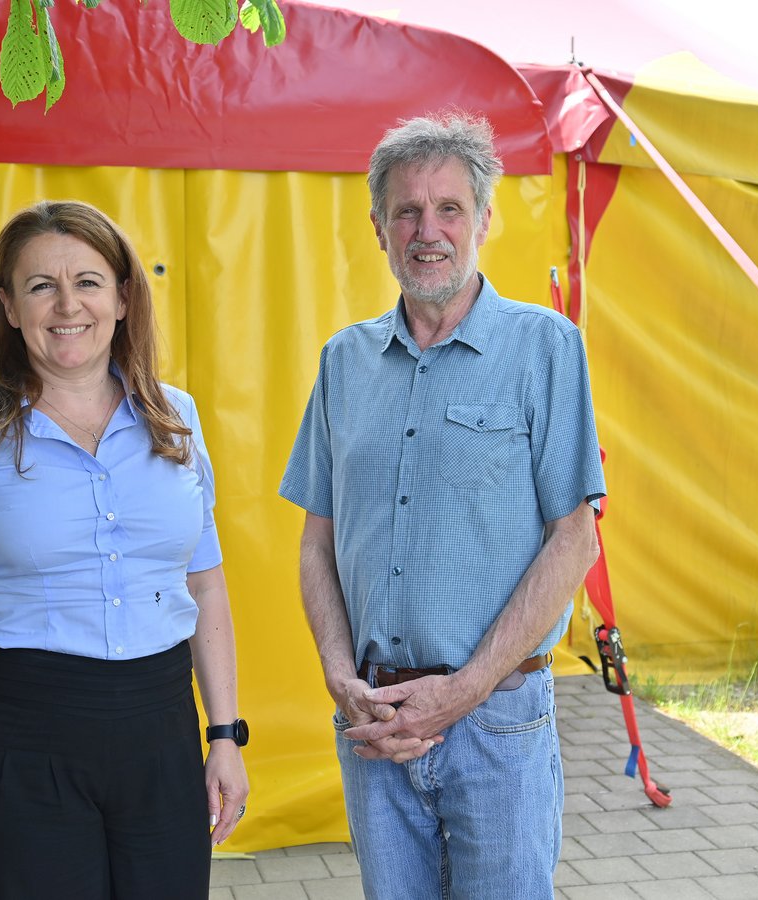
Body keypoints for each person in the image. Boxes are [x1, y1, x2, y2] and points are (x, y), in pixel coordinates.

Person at [279, 111, 605, 899]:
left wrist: (459, 694)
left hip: (495, 721)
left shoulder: (546, 348)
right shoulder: (343, 362)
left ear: (485, 219)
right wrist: (337, 674)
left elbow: (574, 542)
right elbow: (318, 543)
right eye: (408, 211)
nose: (429, 230)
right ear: (380, 227)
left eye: (450, 208)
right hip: (375, 722)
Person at [0, 200, 249, 899]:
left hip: (162, 734)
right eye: (39, 286)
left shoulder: (177, 420)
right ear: (9, 305)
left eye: (87, 281)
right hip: (23, 743)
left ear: (122, 296)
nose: (67, 305)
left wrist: (225, 736)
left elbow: (205, 586)